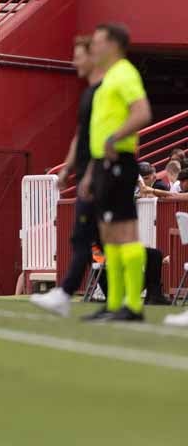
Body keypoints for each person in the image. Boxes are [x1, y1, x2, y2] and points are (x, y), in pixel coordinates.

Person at [29, 36, 105, 317]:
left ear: (93, 57)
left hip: (99, 175)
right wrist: (67, 168)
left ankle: (66, 293)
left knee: (88, 237)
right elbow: (81, 136)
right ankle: (119, 298)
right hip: (88, 172)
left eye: (79, 56)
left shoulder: (103, 93)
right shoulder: (88, 93)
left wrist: (91, 174)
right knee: (94, 238)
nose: (74, 62)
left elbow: (104, 137)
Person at [81, 22, 150, 322]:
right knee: (109, 234)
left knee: (124, 231)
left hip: (119, 161)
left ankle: (132, 304)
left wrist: (115, 137)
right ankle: (115, 303)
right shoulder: (108, 78)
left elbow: (142, 112)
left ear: (114, 45)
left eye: (98, 41)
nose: (93, 47)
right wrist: (89, 173)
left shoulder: (124, 74)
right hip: (103, 164)